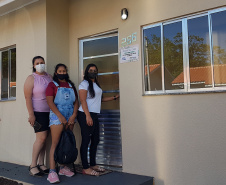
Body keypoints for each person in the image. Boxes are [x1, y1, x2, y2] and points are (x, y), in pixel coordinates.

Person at [78, 63, 119, 176]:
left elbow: (99, 99)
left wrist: (114, 97)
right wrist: (87, 116)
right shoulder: (84, 84)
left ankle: (93, 164)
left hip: (94, 114)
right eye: (91, 70)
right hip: (84, 114)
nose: (93, 72)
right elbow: (83, 100)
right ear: (87, 71)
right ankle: (85, 168)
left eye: (95, 70)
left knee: (95, 140)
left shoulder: (95, 84)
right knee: (86, 140)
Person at [46, 63, 79, 183]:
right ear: (56, 73)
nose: (62, 73)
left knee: (67, 143)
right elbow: (50, 102)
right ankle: (52, 171)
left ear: (66, 72)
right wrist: (60, 117)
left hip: (70, 116)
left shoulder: (71, 85)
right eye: (59, 71)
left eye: (64, 71)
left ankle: (64, 167)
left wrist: (74, 115)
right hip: (57, 116)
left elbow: (76, 102)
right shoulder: (52, 85)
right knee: (55, 143)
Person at [24, 56, 52, 177]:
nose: (40, 64)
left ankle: (41, 163)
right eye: (37, 63)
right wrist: (31, 114)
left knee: (45, 139)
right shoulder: (31, 78)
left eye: (42, 62)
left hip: (50, 112)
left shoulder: (49, 76)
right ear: (34, 65)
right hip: (38, 113)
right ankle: (33, 165)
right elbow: (27, 98)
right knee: (40, 139)